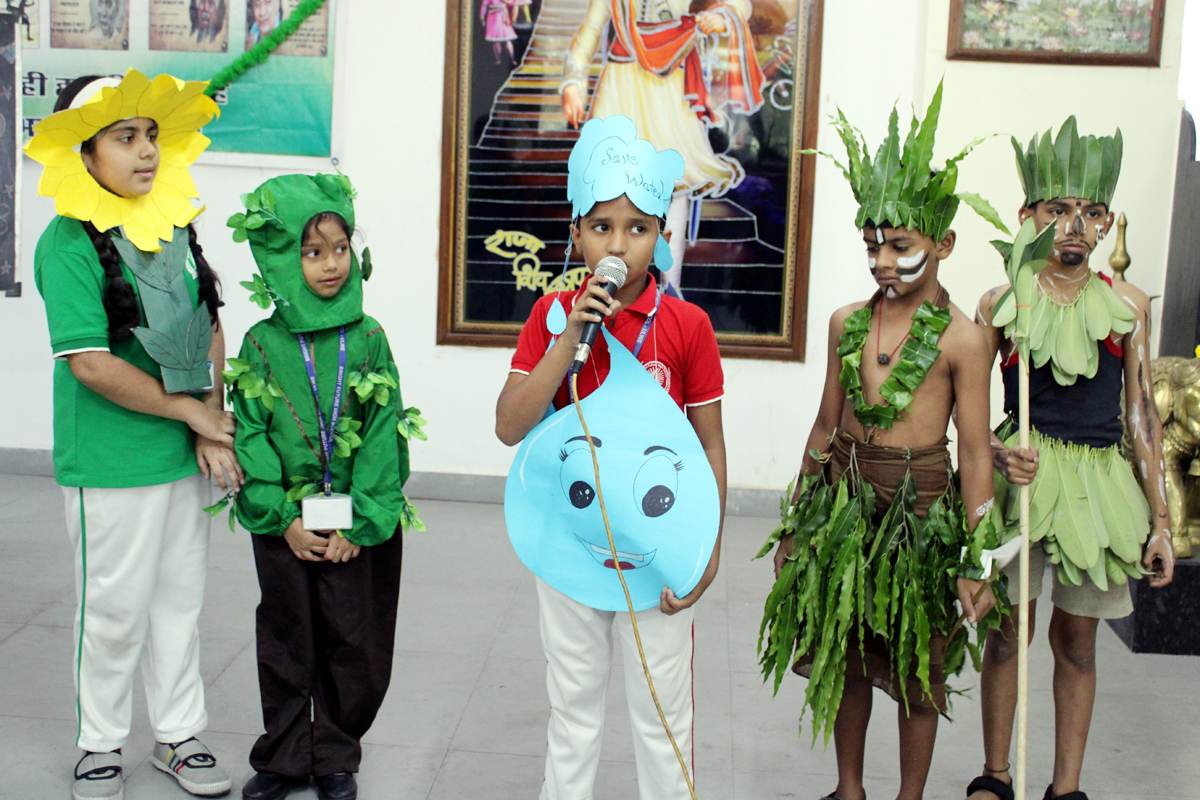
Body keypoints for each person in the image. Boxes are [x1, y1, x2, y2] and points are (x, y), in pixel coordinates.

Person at [763, 83, 1009, 800]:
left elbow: (976, 452)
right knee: (843, 654)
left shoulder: (963, 339)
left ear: (944, 244)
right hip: (844, 498)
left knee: (915, 665)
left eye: (901, 246)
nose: (883, 262)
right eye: (873, 246)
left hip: (922, 509)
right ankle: (849, 789)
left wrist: (978, 557)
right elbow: (825, 425)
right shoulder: (846, 322)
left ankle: (908, 796)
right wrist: (798, 519)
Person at [495, 115, 727, 800]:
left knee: (662, 712)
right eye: (601, 226)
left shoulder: (688, 326)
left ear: (661, 236)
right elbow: (510, 426)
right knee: (572, 708)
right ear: (575, 233)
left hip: (656, 549)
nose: (618, 244)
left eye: (638, 228)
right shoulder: (551, 318)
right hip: (570, 544)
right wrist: (570, 337)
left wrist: (706, 549)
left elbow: (709, 444)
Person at [26, 70, 238, 800]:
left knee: (180, 603)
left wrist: (210, 421)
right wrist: (190, 414)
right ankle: (100, 743)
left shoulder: (171, 220)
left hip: (180, 454)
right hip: (111, 460)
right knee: (113, 611)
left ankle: (178, 735)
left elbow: (209, 323)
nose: (147, 150)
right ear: (83, 154)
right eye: (125, 137)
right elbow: (89, 362)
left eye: (150, 135)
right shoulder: (66, 241)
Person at [967, 118, 1175, 800]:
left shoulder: (1129, 306)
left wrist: (1162, 521)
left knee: (1078, 642)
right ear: (1028, 216)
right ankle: (997, 775)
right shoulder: (1000, 303)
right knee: (1007, 633)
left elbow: (1141, 413)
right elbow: (969, 412)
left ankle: (1066, 786)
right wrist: (999, 452)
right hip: (1023, 482)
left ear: (1107, 222)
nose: (1074, 226)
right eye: (1058, 209)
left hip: (1099, 488)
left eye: (1090, 211)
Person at [227, 173, 417, 800]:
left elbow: (384, 430)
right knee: (288, 636)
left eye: (339, 247)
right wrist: (279, 516)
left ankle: (336, 751)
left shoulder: (369, 338)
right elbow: (251, 435)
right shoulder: (260, 345)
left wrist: (361, 520)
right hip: (286, 523)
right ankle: (284, 755)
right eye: (311, 252)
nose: (331, 264)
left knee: (353, 637)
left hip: (355, 520)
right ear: (282, 259)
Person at [559, 0, 764, 293]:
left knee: (675, 188)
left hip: (668, 91)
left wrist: (719, 17)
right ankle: (604, 290)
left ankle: (672, 291)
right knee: (606, 190)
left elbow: (740, 5)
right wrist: (572, 81)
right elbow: (591, 29)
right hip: (620, 88)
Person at [480, 0, 518, 65]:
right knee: (497, 40)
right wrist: (482, 16)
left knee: (506, 40)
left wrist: (482, 16)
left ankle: (511, 59)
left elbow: (511, 3)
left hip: (502, 17)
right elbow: (484, 5)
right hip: (494, 18)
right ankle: (499, 60)